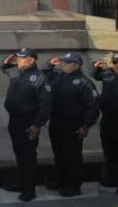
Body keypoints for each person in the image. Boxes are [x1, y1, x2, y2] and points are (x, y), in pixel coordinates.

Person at [42, 52, 99, 197]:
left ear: (77, 65)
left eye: (67, 63)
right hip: (57, 122)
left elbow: (92, 106)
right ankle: (61, 180)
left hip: (73, 125)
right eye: (63, 62)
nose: (64, 65)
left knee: (72, 156)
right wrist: (49, 65)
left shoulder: (84, 82)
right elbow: (43, 76)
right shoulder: (57, 76)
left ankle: (74, 185)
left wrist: (86, 125)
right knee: (59, 153)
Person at [1, 47, 52, 202]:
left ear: (31, 60)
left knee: (28, 156)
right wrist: (6, 63)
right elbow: (5, 69)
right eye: (17, 58)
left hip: (28, 121)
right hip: (14, 120)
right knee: (19, 154)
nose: (18, 61)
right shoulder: (17, 72)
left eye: (21, 58)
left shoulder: (39, 77)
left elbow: (46, 104)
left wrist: (37, 124)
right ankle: (21, 183)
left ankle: (29, 189)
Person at [93, 54, 118, 192]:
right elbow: (95, 75)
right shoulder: (107, 73)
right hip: (108, 119)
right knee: (109, 151)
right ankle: (112, 179)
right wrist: (96, 67)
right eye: (115, 63)